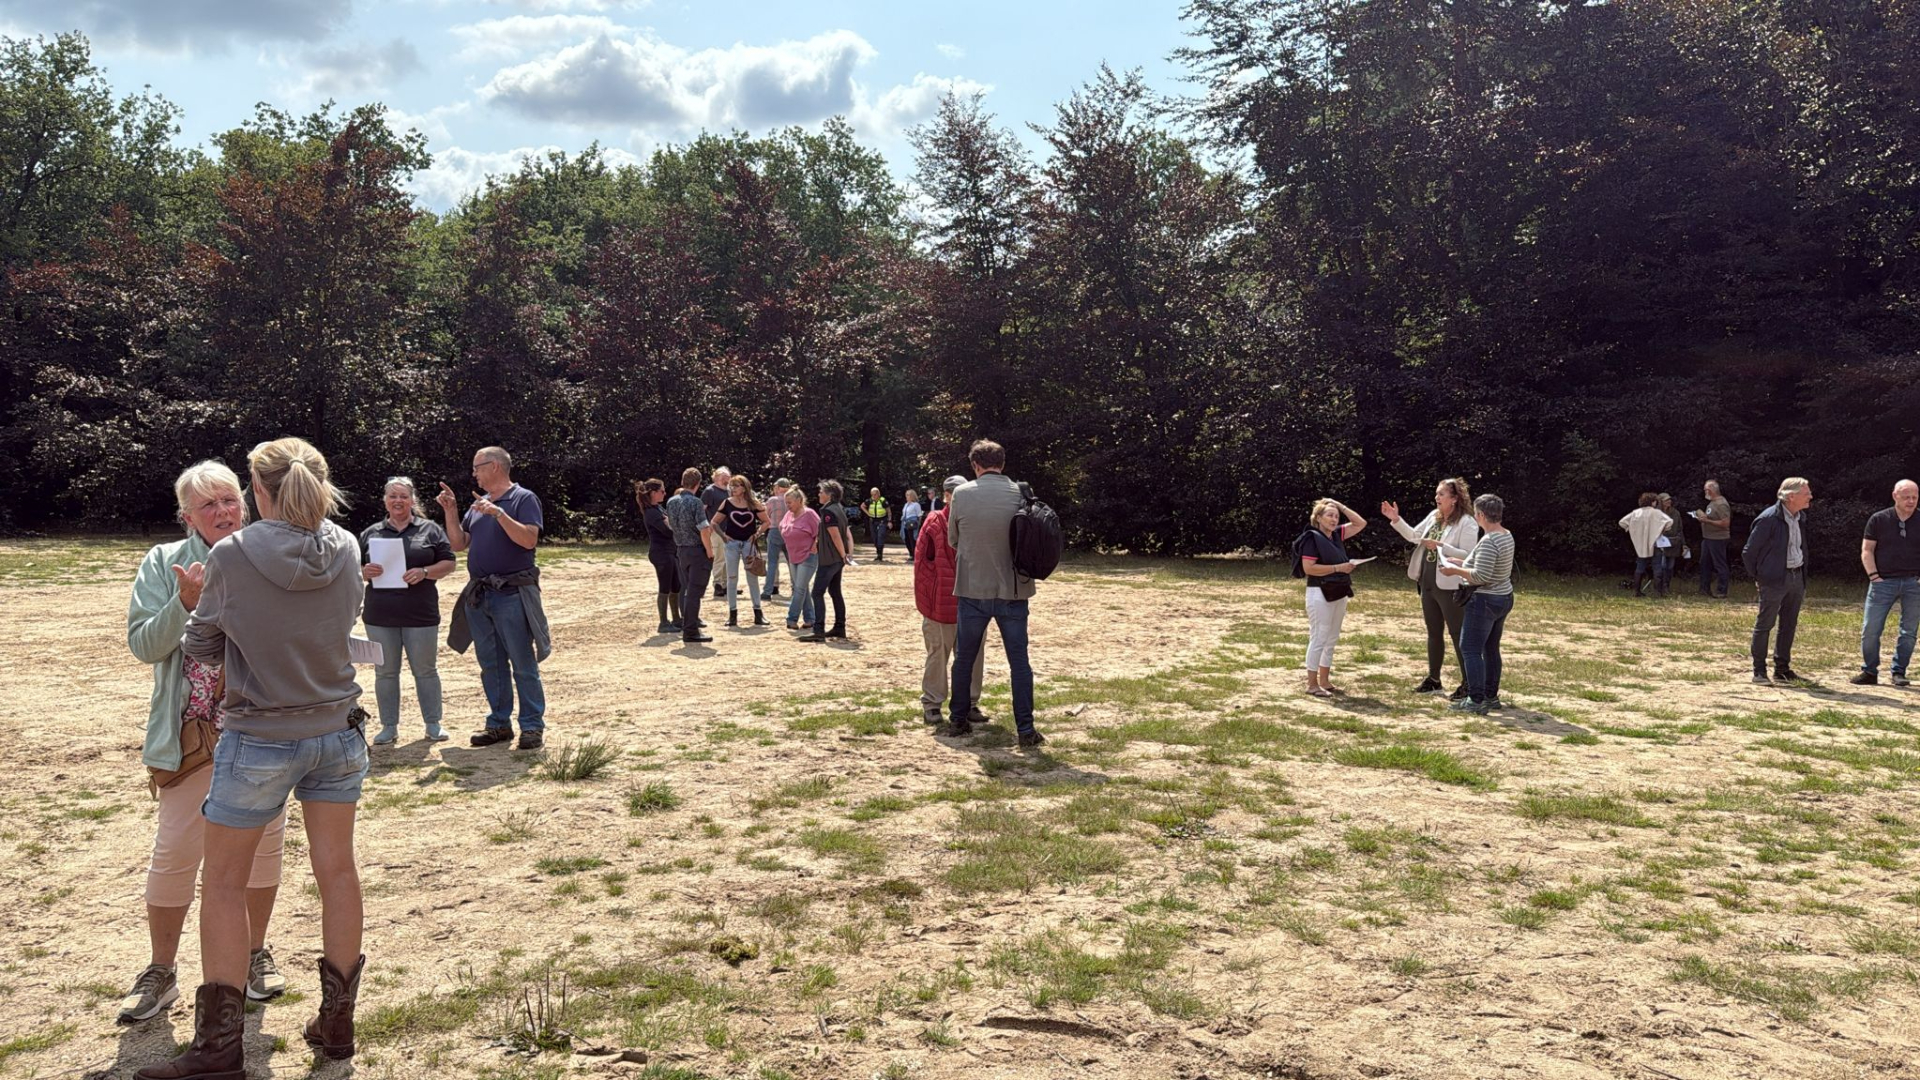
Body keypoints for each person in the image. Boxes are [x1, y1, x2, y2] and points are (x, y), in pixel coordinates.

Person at [137, 438, 369, 1080]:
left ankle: (219, 1050)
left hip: (260, 735)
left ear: (257, 492)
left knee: (224, 886)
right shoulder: (347, 544)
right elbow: (347, 618)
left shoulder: (234, 554)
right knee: (338, 874)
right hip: (338, 732)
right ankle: (337, 1026)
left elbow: (204, 646)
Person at [121, 462, 288, 1026]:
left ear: (245, 503)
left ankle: (253, 955)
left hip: (262, 729)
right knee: (175, 853)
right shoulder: (163, 563)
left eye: (229, 500)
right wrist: (183, 604)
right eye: (207, 505)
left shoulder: (270, 552)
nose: (222, 512)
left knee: (263, 848)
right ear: (186, 516)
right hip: (193, 735)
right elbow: (144, 646)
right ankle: (162, 971)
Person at [438, 446, 549, 750]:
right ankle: (499, 724)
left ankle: (531, 726)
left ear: (496, 466)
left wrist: (499, 514)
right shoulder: (479, 504)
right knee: (491, 664)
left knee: (522, 662)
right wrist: (450, 511)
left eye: (477, 467)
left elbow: (528, 539)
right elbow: (459, 544)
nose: (473, 473)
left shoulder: (523, 499)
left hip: (513, 593)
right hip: (481, 596)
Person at [947, 440, 1045, 745]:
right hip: (1014, 589)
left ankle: (958, 719)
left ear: (975, 465)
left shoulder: (961, 495)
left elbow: (953, 539)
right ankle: (1026, 729)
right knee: (1019, 661)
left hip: (973, 587)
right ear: (1002, 463)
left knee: (964, 657)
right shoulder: (1022, 492)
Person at [358, 477, 456, 745]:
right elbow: (356, 569)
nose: (398, 501)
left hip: (420, 615)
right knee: (385, 673)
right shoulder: (370, 533)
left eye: (403, 496)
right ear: (385, 501)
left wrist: (425, 572)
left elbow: (449, 563)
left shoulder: (430, 530)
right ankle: (389, 727)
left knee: (425, 670)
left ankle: (433, 724)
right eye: (392, 496)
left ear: (413, 501)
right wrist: (364, 572)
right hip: (380, 616)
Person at [1382, 478, 1479, 697]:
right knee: (1433, 632)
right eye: (1437, 494)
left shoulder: (1467, 522)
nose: (1437, 498)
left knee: (1457, 634)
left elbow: (1470, 555)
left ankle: (1469, 683)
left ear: (1454, 499)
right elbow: (1415, 536)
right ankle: (1434, 679)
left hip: (1451, 585)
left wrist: (1442, 546)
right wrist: (1396, 519)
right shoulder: (1434, 517)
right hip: (1427, 582)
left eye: (1441, 494)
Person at [915, 475, 986, 724]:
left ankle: (969, 703)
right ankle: (932, 703)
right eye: (952, 493)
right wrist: (931, 600)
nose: (956, 497)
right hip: (941, 603)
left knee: (974, 654)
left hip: (974, 600)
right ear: (946, 495)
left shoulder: (976, 521)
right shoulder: (935, 521)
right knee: (938, 653)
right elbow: (923, 565)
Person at [1438, 494, 1516, 714]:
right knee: (1491, 648)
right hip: (1503, 597)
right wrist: (1462, 562)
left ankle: (1475, 700)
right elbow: (1489, 566)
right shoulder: (1506, 535)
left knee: (1470, 649)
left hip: (1484, 600)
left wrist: (1454, 570)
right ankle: (1491, 697)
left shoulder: (1490, 540)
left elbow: (1480, 576)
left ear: (1481, 515)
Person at [1294, 498, 1368, 696]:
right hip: (1319, 592)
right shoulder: (1312, 538)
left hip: (1338, 591)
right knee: (1319, 636)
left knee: (1332, 637)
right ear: (1318, 518)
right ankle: (1312, 684)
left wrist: (1340, 505)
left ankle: (1325, 681)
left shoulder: (1335, 535)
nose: (1334, 519)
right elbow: (1309, 568)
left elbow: (1360, 523)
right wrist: (1338, 568)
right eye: (1329, 515)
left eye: (1336, 516)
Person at [1743, 477, 1813, 683]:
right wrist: (1760, 577)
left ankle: (1782, 669)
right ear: (1791, 497)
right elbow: (1749, 552)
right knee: (1765, 624)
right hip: (1773, 580)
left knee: (1789, 624)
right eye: (1806, 493)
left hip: (1796, 576)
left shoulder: (1800, 517)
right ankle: (1759, 671)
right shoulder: (1768, 519)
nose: (1810, 496)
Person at [1853, 479, 1920, 687]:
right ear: (1895, 496)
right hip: (1883, 582)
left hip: (1913, 583)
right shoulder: (1879, 519)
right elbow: (1867, 550)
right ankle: (1869, 671)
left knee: (1908, 631)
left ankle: (1899, 672)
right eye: (1906, 497)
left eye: (1915, 497)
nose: (1911, 501)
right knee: (1870, 628)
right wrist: (1874, 576)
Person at [711, 473, 771, 627]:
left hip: (748, 544)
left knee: (752, 577)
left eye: (736, 486)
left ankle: (758, 613)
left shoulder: (753, 503)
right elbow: (714, 522)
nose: (732, 488)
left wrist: (757, 534)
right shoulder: (727, 503)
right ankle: (732, 614)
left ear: (744, 488)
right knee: (732, 578)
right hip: (732, 544)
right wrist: (723, 537)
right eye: (731, 485)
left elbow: (766, 521)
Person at [799, 480, 853, 642]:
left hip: (829, 558)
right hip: (836, 559)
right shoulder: (839, 509)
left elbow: (835, 535)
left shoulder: (828, 512)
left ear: (829, 494)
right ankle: (839, 627)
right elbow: (846, 534)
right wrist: (846, 554)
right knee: (835, 592)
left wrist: (843, 554)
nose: (819, 494)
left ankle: (819, 630)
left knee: (817, 592)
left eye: (821, 492)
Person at [666, 467, 715, 644]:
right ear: (698, 484)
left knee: (686, 590)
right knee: (694, 593)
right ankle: (691, 631)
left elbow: (671, 525)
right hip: (696, 551)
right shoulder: (695, 502)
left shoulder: (671, 501)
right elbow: (703, 528)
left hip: (681, 550)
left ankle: (687, 626)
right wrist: (709, 551)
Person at [638, 479, 682, 635]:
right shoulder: (651, 512)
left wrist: (671, 522)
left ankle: (676, 619)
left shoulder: (658, 508)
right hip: (661, 553)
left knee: (676, 585)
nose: (664, 493)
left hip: (670, 551)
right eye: (662, 491)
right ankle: (663, 622)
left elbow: (671, 524)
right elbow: (668, 531)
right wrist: (672, 523)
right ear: (653, 493)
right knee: (665, 587)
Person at [779, 486, 820, 630]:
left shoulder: (810, 514)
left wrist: (816, 543)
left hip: (808, 556)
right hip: (793, 556)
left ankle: (791, 618)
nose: (787, 505)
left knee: (799, 589)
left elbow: (821, 531)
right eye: (786, 502)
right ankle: (810, 618)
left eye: (789, 502)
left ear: (799, 501)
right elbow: (781, 527)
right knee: (801, 588)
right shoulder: (788, 515)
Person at [1619, 493, 1672, 598]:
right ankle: (1658, 593)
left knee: (1640, 567)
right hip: (1655, 542)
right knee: (1657, 567)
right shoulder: (1656, 513)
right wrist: (1661, 530)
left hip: (1641, 544)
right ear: (1653, 502)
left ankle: (1637, 591)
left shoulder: (1636, 513)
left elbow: (1622, 522)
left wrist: (1632, 530)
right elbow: (1669, 522)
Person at [1693, 480, 1733, 597]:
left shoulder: (1721, 504)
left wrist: (1707, 521)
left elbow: (1726, 523)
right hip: (1708, 538)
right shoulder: (1712, 503)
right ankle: (1704, 589)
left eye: (1706, 489)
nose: (1705, 492)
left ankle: (1722, 591)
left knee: (1720, 564)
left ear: (1711, 490)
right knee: (1704, 563)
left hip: (1718, 539)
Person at [761, 478, 792, 601]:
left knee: (773, 562)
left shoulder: (773, 500)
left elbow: (766, 516)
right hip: (790, 531)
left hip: (774, 531)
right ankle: (796, 588)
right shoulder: (792, 499)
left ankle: (768, 591)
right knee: (792, 562)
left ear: (777, 487)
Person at [704, 467, 732, 600]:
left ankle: (726, 585)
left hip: (729, 529)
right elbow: (702, 510)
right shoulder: (710, 491)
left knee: (728, 558)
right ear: (716, 477)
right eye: (723, 476)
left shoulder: (729, 491)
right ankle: (717, 585)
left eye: (728, 476)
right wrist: (706, 526)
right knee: (719, 557)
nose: (726, 478)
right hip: (716, 529)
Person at [1656, 493, 1686, 595]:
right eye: (1666, 500)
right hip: (1661, 543)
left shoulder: (1675, 513)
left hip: (1673, 543)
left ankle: (1667, 586)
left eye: (1669, 500)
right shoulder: (1656, 513)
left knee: (1670, 567)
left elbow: (1680, 529)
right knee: (1662, 566)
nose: (1669, 502)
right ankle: (1660, 587)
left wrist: (1683, 544)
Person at [864, 487, 890, 561]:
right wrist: (868, 514)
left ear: (878, 494)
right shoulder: (869, 501)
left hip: (882, 520)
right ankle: (878, 552)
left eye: (875, 494)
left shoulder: (883, 501)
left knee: (880, 536)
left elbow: (888, 510)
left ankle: (880, 555)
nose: (874, 496)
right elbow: (862, 506)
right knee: (874, 537)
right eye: (872, 494)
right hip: (873, 520)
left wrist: (889, 521)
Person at [901, 488, 925, 564]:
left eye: (908, 495)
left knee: (913, 539)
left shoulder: (916, 505)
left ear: (912, 496)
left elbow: (919, 515)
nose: (906, 496)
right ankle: (911, 553)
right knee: (906, 538)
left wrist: (918, 524)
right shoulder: (906, 504)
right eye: (906, 495)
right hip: (905, 522)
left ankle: (915, 555)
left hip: (912, 522)